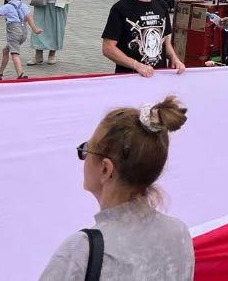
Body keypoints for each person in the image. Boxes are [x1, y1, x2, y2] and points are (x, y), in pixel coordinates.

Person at [39, 95, 194, 280]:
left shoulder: (82, 252)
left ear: (105, 169)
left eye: (87, 149)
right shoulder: (179, 234)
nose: (84, 156)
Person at [102, 0, 187, 76]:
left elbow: (165, 40)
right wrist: (136, 65)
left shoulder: (162, 5)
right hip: (129, 79)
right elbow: (108, 48)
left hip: (158, 78)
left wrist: (174, 58)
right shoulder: (120, 8)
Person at [0, 0, 42, 80]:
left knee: (14, 54)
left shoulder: (6, 7)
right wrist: (35, 29)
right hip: (23, 32)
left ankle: (21, 75)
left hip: (14, 33)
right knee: (5, 50)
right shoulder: (23, 6)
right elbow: (29, 18)